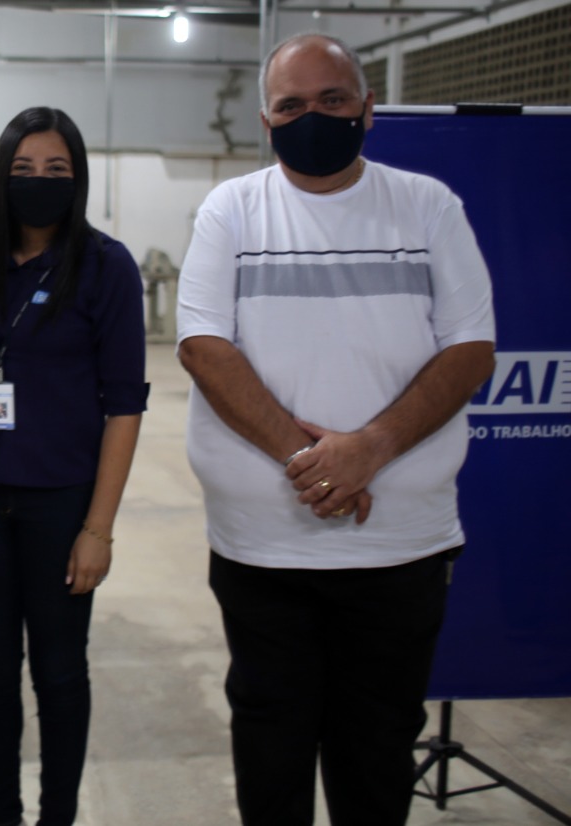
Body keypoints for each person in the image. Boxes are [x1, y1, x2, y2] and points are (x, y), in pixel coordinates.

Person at [176, 33, 496, 826]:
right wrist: (316, 462)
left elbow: (470, 349)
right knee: (270, 750)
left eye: (332, 99)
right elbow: (204, 347)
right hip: (262, 550)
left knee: (377, 755)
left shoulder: (428, 205)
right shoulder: (231, 209)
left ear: (368, 109)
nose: (311, 116)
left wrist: (370, 449)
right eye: (290, 105)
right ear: (265, 120)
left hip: (400, 549)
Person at [0, 107, 148, 826]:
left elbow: (125, 405)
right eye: (23, 168)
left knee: (60, 674)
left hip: (62, 503)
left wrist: (99, 528)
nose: (39, 181)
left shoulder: (106, 265)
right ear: (1, 176)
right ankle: (1, 815)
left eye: (56, 169)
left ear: (78, 177)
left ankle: (57, 817)